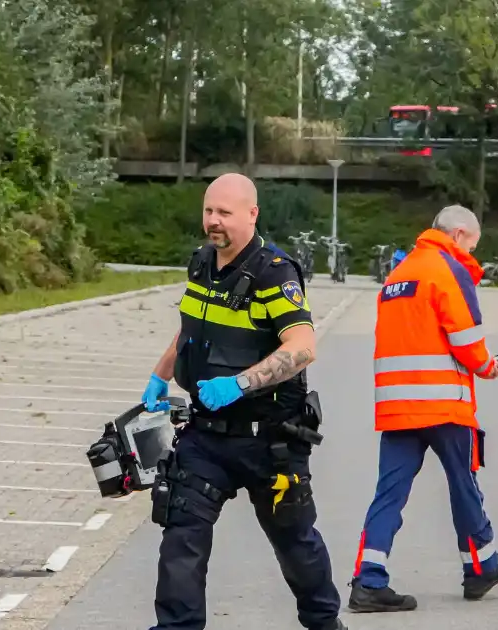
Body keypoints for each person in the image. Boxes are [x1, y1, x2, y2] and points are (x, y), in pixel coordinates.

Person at [140, 173, 347, 630]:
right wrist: (161, 374)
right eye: (209, 211)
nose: (213, 222)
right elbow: (191, 327)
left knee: (295, 543)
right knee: (181, 538)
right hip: (206, 437)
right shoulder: (202, 263)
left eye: (225, 214)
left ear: (252, 214)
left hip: (269, 442)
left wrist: (240, 384)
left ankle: (324, 623)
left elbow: (302, 346)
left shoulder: (275, 272)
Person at [348, 204, 498, 612]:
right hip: (443, 404)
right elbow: (466, 338)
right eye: (472, 245)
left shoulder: (399, 275)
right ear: (458, 235)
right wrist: (490, 367)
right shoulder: (447, 269)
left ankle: (368, 581)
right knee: (463, 484)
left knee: (389, 494)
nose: (471, 254)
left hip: (398, 406)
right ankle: (481, 565)